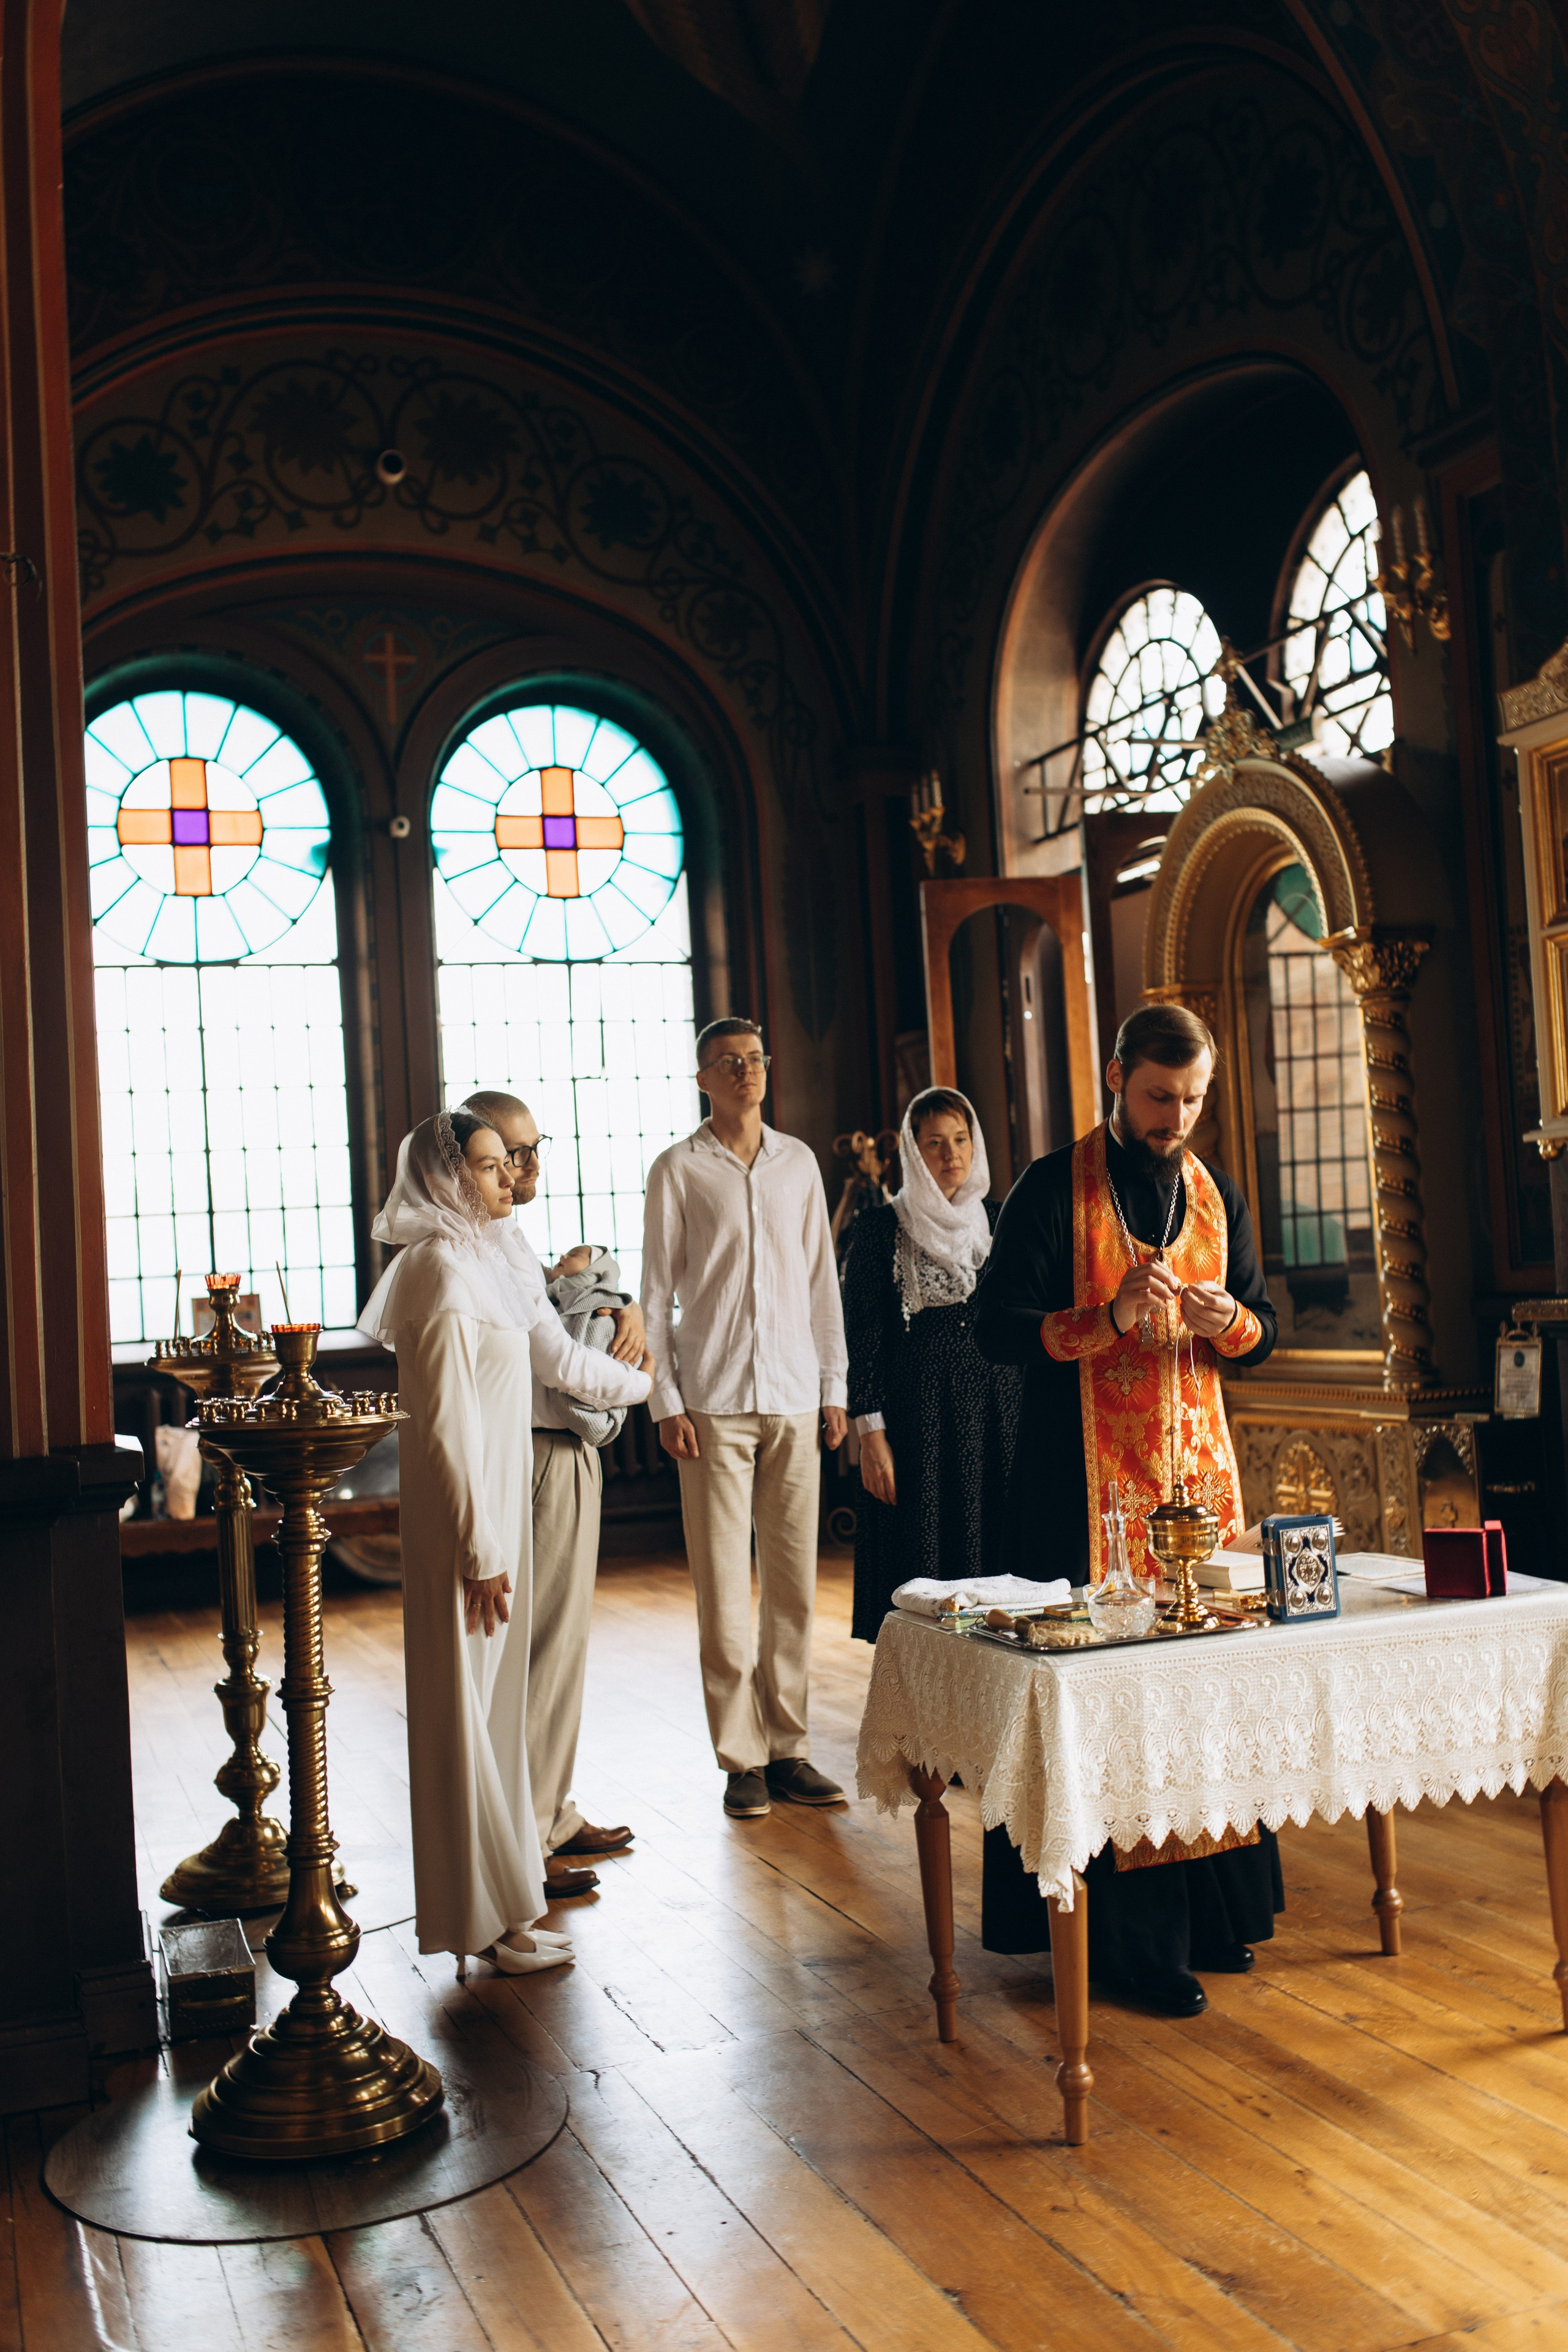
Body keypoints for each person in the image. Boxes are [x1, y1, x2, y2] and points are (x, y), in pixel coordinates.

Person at [973, 1003, 1280, 2018]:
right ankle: (1129, 1945)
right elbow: (993, 1329)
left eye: (1192, 1098)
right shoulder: (1050, 1187)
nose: (1175, 1116)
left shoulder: (1215, 1191)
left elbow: (1258, 1323)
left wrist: (1225, 1319)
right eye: (1158, 1096)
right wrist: (1102, 1321)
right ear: (1117, 1076)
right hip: (1083, 1493)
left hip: (1194, 1490)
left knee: (1208, 1695)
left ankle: (1213, 1917)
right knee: (1117, 1710)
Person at [358, 1111, 653, 1975]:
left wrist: (650, 1382)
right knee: (466, 1720)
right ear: (448, 1181)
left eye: (503, 1166)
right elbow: (444, 1428)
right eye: (487, 1168)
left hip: (496, 1519)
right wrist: (482, 1549)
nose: (505, 1180)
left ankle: (511, 1911)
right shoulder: (440, 1268)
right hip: (468, 1526)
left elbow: (557, 1362)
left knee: (495, 1719)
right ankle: (479, 1921)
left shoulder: (487, 1259)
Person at [641, 1017, 850, 1820]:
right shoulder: (678, 1170)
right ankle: (741, 1758)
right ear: (703, 1079)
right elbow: (655, 1297)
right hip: (714, 1403)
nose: (746, 1072)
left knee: (795, 1582)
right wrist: (665, 1402)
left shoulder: (798, 1164)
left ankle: (790, 1747)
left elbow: (819, 1283)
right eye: (728, 1063)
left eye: (757, 1059)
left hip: (796, 1394)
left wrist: (833, 1387)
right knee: (725, 1588)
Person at [461, 1088, 646, 1893]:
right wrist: (643, 1372)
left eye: (536, 1149)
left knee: (564, 1644)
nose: (527, 1166)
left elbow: (564, 1299)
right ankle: (525, 1840)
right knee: (534, 1648)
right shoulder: (476, 1241)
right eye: (510, 1153)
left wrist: (618, 1297)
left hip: (562, 1447)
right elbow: (555, 1350)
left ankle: (554, 1810)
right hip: (532, 1451)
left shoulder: (509, 1234)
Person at [845, 1087, 1022, 1641]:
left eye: (962, 1140)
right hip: (921, 1418)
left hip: (1001, 1413)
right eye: (936, 1143)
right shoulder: (881, 1228)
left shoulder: (1000, 1218)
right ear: (913, 1152)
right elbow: (863, 1337)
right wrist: (870, 1436)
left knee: (998, 1562)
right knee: (925, 1561)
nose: (952, 1155)